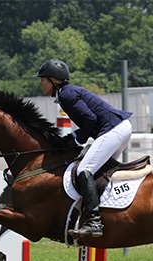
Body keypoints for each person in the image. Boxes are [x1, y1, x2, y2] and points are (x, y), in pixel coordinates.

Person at [36, 59, 133, 238]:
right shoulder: (65, 93)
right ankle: (107, 212)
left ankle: (94, 222)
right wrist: (72, 138)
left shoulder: (65, 94)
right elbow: (89, 121)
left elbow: (90, 120)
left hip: (113, 129)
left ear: (53, 80)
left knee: (84, 169)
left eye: (43, 79)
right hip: (119, 128)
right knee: (101, 172)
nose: (40, 83)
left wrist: (76, 140)